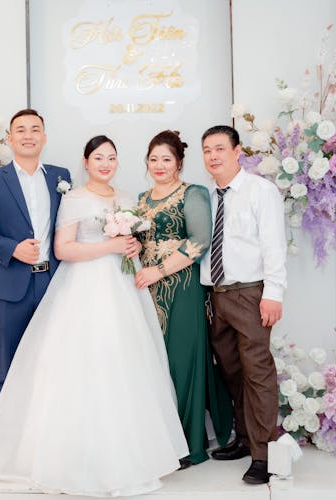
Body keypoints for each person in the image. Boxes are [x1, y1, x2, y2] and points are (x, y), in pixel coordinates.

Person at [0, 135, 188, 497]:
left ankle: (126, 455)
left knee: (123, 365)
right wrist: (111, 245)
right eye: (98, 157)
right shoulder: (73, 198)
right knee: (81, 367)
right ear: (85, 162)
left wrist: (131, 245)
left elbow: (131, 247)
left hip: (122, 292)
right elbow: (63, 249)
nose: (105, 163)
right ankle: (71, 457)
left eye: (112, 157)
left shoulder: (128, 199)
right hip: (84, 290)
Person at [134, 130, 233, 470]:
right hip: (146, 290)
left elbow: (199, 241)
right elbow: (139, 242)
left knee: (182, 363)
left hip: (182, 287)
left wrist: (159, 270)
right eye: (153, 159)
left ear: (178, 162)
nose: (159, 165)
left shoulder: (192, 193)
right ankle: (159, 439)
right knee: (153, 364)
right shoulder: (141, 199)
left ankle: (188, 445)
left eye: (166, 159)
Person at [199, 125, 286, 485]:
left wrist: (274, 293)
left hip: (250, 294)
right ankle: (245, 438)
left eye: (220, 148)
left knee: (258, 373)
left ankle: (265, 455)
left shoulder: (260, 191)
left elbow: (273, 244)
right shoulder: (207, 195)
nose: (213, 155)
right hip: (216, 296)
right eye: (207, 150)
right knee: (232, 371)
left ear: (237, 152)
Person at [0, 109, 71, 396]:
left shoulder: (61, 177)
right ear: (10, 139)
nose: (28, 135)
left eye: (35, 129)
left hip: (54, 284)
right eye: (21, 130)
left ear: (44, 137)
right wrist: (13, 249)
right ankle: (8, 440)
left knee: (54, 364)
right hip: (11, 287)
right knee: (11, 368)